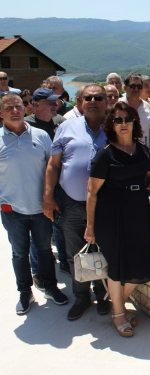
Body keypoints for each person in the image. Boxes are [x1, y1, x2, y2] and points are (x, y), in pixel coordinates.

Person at [84, 101, 150, 337]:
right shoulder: (105, 154)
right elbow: (92, 192)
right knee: (116, 264)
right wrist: (90, 226)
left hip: (138, 212)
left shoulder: (143, 150)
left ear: (135, 123)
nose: (123, 123)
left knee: (140, 261)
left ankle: (117, 305)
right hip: (112, 216)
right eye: (118, 120)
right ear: (112, 124)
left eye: (128, 119)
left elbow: (148, 175)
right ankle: (119, 313)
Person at [43, 84, 110, 321]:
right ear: (80, 101)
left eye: (98, 97)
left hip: (105, 205)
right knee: (75, 254)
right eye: (88, 97)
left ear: (106, 101)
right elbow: (53, 165)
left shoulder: (114, 128)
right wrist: (48, 196)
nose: (93, 101)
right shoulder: (65, 127)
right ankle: (81, 297)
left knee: (103, 251)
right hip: (71, 203)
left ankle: (102, 294)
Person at [0, 93, 69, 315]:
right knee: (19, 253)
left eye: (18, 106)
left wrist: (51, 198)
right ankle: (25, 292)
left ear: (25, 109)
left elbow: (54, 167)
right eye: (9, 108)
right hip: (12, 209)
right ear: (1, 113)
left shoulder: (40, 136)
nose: (14, 111)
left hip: (42, 207)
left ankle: (50, 287)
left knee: (44, 250)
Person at [25, 88, 70, 283]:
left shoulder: (61, 123)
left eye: (56, 102)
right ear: (36, 105)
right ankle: (38, 271)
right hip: (36, 187)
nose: (55, 105)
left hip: (61, 185)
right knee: (40, 231)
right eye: (50, 102)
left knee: (61, 227)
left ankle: (65, 262)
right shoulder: (26, 127)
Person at [119, 74, 150, 150]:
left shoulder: (147, 106)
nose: (136, 89)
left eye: (139, 87)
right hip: (121, 153)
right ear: (125, 88)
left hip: (143, 154)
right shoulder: (118, 105)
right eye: (132, 86)